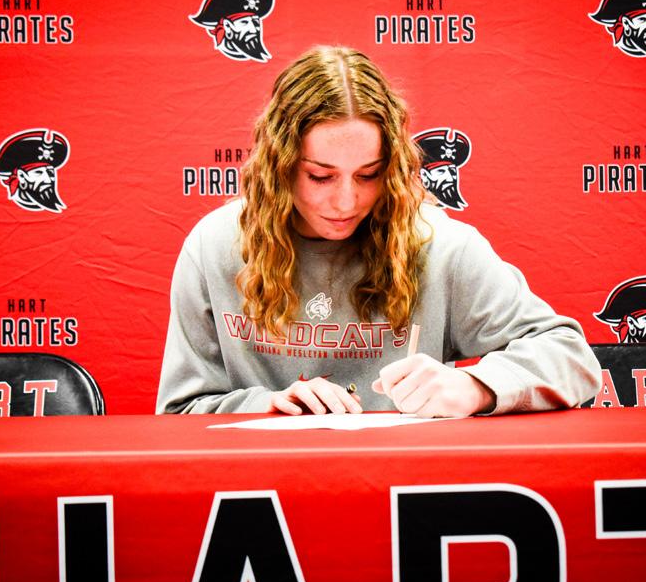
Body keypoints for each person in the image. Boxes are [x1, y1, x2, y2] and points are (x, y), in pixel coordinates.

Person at [156, 46, 601, 417]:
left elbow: (571, 357)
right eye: (320, 176)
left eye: (368, 175)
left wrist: (475, 387)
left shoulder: (438, 246)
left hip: (407, 483)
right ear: (280, 166)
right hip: (264, 481)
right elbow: (179, 412)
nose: (346, 202)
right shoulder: (215, 246)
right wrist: (266, 406)